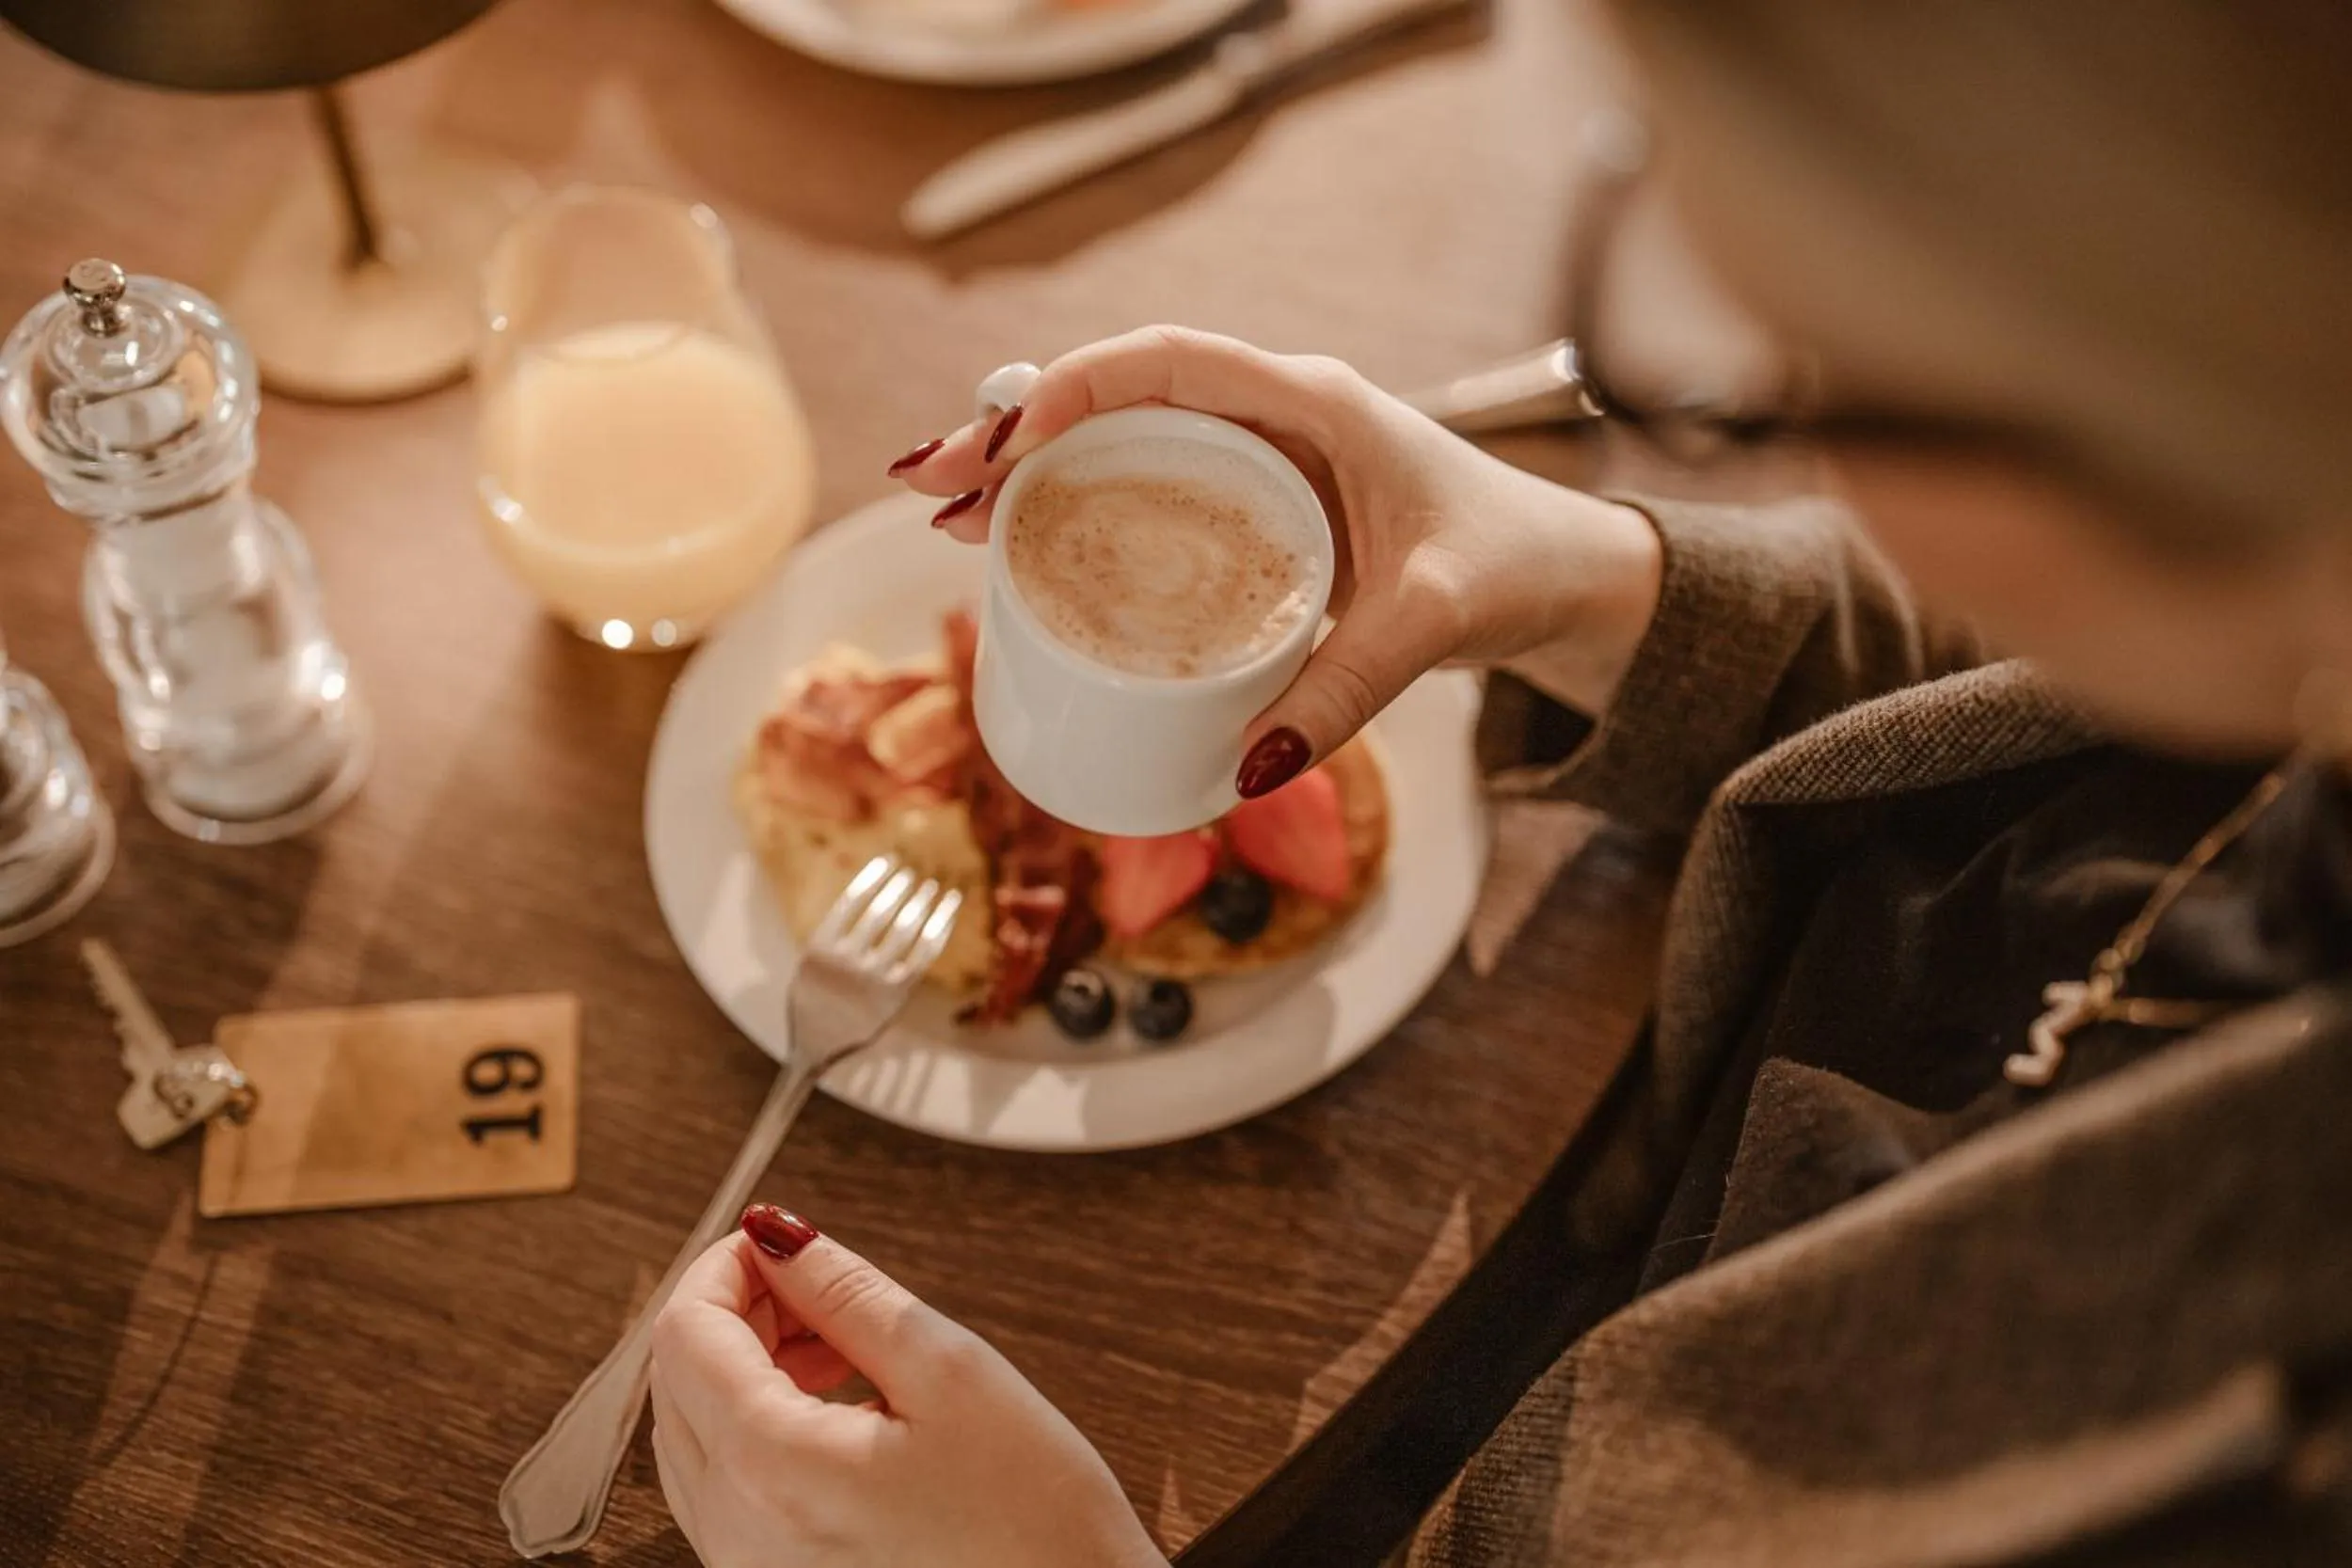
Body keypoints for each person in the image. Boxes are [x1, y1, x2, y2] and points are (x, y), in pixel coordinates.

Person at [646, 5, 2352, 1563]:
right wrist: (1589, 581)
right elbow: (2064, 686)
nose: (1784, 421)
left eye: (1807, 360)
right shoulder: (2287, 621)